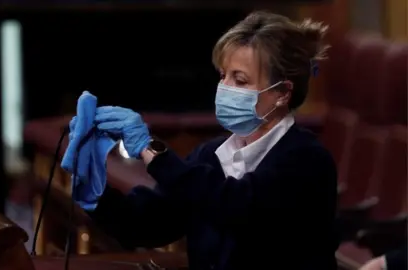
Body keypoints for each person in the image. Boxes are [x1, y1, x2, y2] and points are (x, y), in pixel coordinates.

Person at [87, 11, 338, 270]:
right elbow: (149, 223)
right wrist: (93, 188)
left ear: (283, 93)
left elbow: (235, 205)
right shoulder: (210, 154)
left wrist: (149, 149)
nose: (225, 87)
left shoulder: (308, 160)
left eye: (239, 80)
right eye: (223, 76)